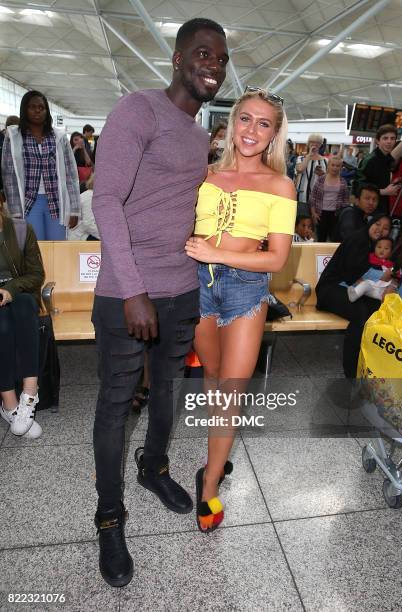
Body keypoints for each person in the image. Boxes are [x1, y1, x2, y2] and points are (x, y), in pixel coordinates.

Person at [91, 18, 228, 587]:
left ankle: (154, 468)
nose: (212, 66)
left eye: (220, 58)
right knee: (117, 402)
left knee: (168, 392)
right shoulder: (137, 110)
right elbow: (106, 200)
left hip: (183, 287)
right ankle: (108, 516)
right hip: (131, 293)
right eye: (202, 54)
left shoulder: (201, 137)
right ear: (176, 59)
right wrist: (133, 288)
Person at [184, 87, 296, 533]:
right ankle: (218, 453)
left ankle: (210, 483)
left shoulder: (280, 185)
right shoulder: (203, 175)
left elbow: (276, 260)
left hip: (246, 288)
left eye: (263, 124)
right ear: (232, 124)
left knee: (229, 390)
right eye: (245, 119)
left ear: (273, 135)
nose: (252, 130)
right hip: (195, 285)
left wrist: (219, 256)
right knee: (211, 378)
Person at [316, 214, 392, 378]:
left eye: (386, 228)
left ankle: (370, 362)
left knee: (377, 308)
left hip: (351, 289)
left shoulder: (375, 247)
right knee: (360, 313)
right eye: (377, 224)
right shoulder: (358, 239)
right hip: (330, 288)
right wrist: (379, 280)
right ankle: (352, 372)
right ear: (371, 223)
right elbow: (351, 274)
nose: (380, 229)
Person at [1, 90, 80, 240]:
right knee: (35, 248)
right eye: (32, 107)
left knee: (58, 247)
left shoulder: (59, 137)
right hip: (29, 203)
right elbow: (9, 177)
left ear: (46, 111)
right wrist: (15, 210)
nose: (37, 110)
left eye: (41, 107)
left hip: (56, 202)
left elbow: (71, 174)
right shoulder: (14, 137)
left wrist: (75, 210)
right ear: (25, 109)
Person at [0, 200, 44, 439]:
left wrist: (11, 289)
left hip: (19, 293)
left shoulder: (20, 229)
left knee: (26, 305)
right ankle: (9, 404)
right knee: (2, 324)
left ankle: (29, 393)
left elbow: (37, 274)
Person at [353, 123, 402, 213]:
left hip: (382, 208)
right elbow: (358, 186)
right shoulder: (370, 160)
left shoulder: (385, 158)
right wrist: (383, 191)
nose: (389, 141)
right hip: (367, 210)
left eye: (392, 138)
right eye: (385, 138)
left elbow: (392, 157)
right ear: (378, 141)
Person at [309, 156, 349, 242]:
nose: (335, 167)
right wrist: (313, 213)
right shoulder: (321, 180)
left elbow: (345, 200)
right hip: (321, 213)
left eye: (337, 166)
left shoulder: (343, 182)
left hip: (336, 214)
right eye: (333, 165)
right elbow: (313, 197)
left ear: (341, 167)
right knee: (321, 238)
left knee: (335, 239)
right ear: (328, 166)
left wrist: (343, 215)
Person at [347, 237, 398, 302]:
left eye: (386, 248)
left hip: (383, 291)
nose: (382, 250)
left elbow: (396, 275)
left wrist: (392, 273)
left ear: (391, 252)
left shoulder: (392, 264)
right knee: (366, 284)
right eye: (379, 247)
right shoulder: (369, 258)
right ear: (374, 248)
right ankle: (354, 295)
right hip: (372, 288)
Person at [295, 133, 327, 215]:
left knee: (315, 224)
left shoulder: (326, 161)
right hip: (302, 196)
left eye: (317, 142)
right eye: (312, 142)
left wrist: (323, 175)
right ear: (308, 143)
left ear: (320, 145)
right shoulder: (301, 158)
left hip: (318, 198)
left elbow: (329, 180)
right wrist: (309, 155)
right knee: (302, 222)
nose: (314, 144)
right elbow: (300, 169)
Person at [67, 174, 99, 240]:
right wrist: (107, 236)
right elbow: (88, 224)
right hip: (80, 238)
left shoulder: (95, 196)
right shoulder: (90, 197)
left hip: (87, 234)